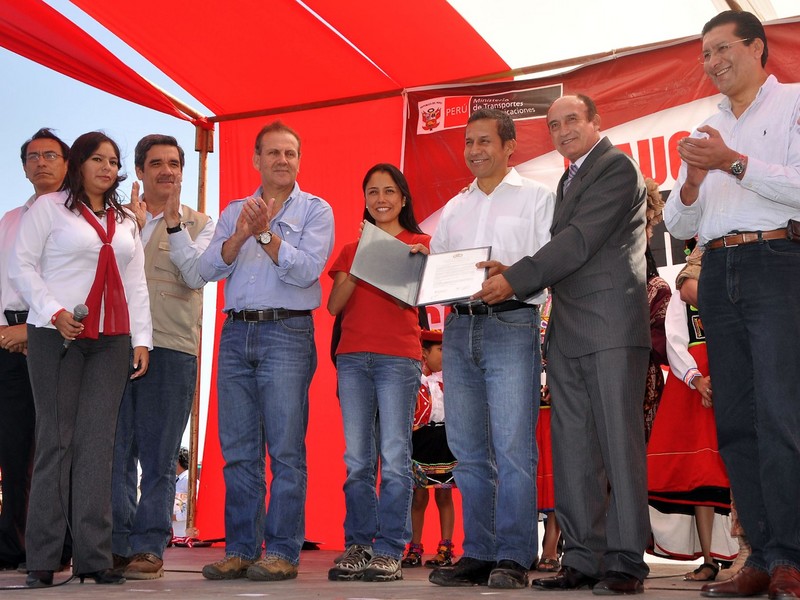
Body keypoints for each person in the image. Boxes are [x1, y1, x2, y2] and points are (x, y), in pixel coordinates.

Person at [476, 94, 651, 594]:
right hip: (569, 328)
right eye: (554, 125)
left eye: (572, 119)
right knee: (573, 450)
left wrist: (516, 280)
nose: (563, 130)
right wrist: (518, 275)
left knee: (619, 446)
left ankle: (624, 561)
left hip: (612, 327)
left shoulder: (616, 168)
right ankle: (582, 557)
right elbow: (566, 251)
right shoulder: (569, 177)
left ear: (597, 120)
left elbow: (577, 241)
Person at [663, 10, 800, 599]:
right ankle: (761, 558)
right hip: (717, 271)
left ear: (757, 48)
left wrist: (734, 162)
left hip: (777, 263)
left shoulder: (793, 104)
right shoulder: (707, 126)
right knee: (737, 422)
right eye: (704, 54)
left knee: (780, 417)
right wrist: (693, 181)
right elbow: (677, 220)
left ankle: (793, 557)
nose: (712, 63)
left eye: (721, 49)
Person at [10, 131, 152, 588]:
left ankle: (94, 558)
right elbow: (22, 267)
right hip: (56, 335)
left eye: (113, 161)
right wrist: (53, 311)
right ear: (79, 164)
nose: (107, 167)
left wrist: (141, 339)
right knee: (56, 442)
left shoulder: (125, 218)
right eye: (97, 159)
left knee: (97, 445)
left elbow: (136, 283)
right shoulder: (51, 208)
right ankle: (43, 559)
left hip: (110, 340)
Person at [197, 121, 334, 582]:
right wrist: (241, 233)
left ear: (299, 160)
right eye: (272, 152)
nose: (282, 160)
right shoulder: (235, 209)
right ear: (255, 159)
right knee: (238, 451)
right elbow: (207, 268)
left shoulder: (316, 210)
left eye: (290, 153)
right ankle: (239, 548)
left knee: (286, 451)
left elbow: (308, 271)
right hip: (235, 334)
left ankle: (281, 551)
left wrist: (266, 236)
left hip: (286, 334)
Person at [426, 108, 555, 589]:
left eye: (484, 141)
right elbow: (438, 271)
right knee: (468, 448)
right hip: (459, 329)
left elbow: (549, 261)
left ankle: (515, 555)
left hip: (512, 326)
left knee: (513, 447)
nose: (474, 151)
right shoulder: (454, 208)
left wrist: (513, 274)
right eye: (468, 142)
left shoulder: (539, 199)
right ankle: (478, 551)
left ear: (509, 145)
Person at [111, 134, 214, 580]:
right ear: (139, 171)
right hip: (113, 345)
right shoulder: (116, 221)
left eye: (174, 163)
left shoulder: (202, 224)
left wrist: (172, 225)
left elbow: (199, 274)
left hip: (172, 347)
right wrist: (130, 229)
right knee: (114, 451)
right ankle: (114, 545)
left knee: (160, 454)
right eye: (156, 163)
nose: (167, 170)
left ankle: (148, 547)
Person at [326, 163, 430, 582]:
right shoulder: (353, 249)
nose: (381, 198)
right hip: (352, 359)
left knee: (395, 454)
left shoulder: (421, 245)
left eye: (389, 191)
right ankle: (359, 544)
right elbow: (334, 306)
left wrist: (426, 264)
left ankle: (390, 549)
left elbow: (426, 297)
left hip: (399, 359)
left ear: (403, 199)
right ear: (365, 199)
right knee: (357, 460)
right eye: (373, 192)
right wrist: (361, 263)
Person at [0, 129, 69, 572]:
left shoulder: (77, 215)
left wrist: (33, 328)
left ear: (67, 164)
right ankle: (10, 545)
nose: (40, 162)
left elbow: (70, 279)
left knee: (55, 447)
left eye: (50, 155)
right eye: (32, 156)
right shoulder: (8, 219)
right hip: (6, 338)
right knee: (12, 447)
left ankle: (55, 546)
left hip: (56, 333)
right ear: (24, 166)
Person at [647, 247, 734, 581]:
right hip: (695, 386)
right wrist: (695, 379)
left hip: (731, 376)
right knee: (701, 475)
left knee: (735, 470)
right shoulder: (685, 287)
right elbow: (675, 340)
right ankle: (711, 559)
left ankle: (748, 554)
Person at [401, 328, 458, 570]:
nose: (445, 355)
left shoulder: (454, 379)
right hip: (420, 439)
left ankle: (445, 547)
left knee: (444, 494)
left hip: (445, 440)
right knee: (418, 496)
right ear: (424, 352)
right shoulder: (415, 380)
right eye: (440, 350)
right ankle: (414, 546)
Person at [172, 448, 190, 539]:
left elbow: (193, 506)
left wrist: (175, 517)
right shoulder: (178, 480)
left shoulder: (188, 480)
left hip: (183, 532)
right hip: (176, 530)